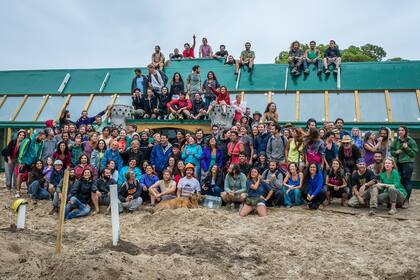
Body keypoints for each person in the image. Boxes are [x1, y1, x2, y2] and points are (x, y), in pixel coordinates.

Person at [391, 125, 418, 208]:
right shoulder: (396, 140)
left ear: (406, 131)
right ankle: (401, 199)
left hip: (407, 163)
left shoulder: (410, 140)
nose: (400, 132)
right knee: (399, 180)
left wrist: (407, 148)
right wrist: (396, 152)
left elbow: (414, 153)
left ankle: (406, 200)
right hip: (398, 163)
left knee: (407, 181)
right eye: (399, 130)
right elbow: (391, 151)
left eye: (402, 130)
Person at [16, 130, 46, 198]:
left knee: (30, 176)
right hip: (24, 161)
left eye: (43, 139)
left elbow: (39, 153)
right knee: (20, 174)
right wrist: (20, 161)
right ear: (38, 135)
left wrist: (36, 162)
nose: (42, 140)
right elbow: (22, 150)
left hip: (32, 162)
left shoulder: (41, 143)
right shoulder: (28, 140)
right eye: (41, 138)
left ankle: (29, 190)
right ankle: (17, 191)